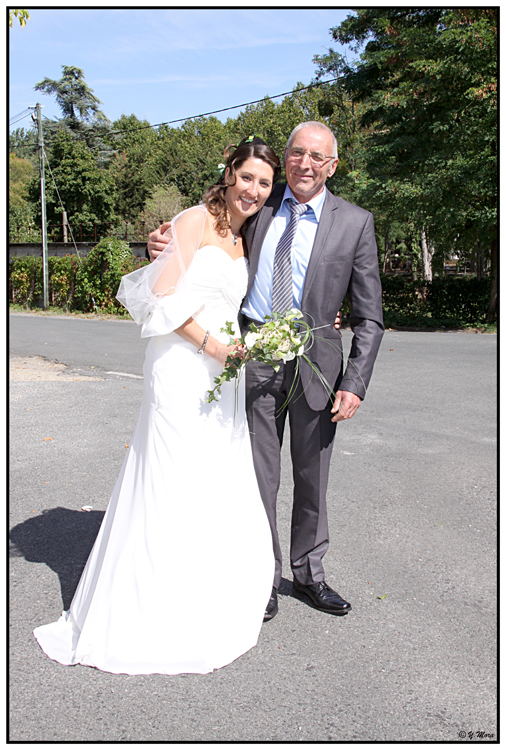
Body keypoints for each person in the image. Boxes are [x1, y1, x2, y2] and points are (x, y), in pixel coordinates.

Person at [33, 137, 280, 675]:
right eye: (246, 177)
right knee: (169, 474)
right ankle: (148, 609)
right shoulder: (193, 220)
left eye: (264, 183)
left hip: (223, 373)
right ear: (229, 173)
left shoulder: (244, 235)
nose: (254, 190)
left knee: (208, 477)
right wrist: (211, 345)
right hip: (183, 364)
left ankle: (198, 595)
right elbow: (160, 298)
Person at [148, 122, 384, 622]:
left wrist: (355, 382)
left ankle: (309, 574)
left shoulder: (355, 222)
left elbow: (369, 316)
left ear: (332, 166)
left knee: (312, 476)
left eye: (317, 157)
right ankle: (262, 574)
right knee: (257, 475)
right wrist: (161, 246)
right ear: (287, 156)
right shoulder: (260, 203)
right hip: (251, 357)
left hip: (319, 367)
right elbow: (206, 232)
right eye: (297, 152)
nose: (305, 163)